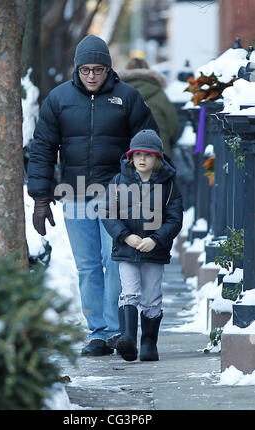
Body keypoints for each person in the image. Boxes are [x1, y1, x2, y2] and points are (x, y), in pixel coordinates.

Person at [27, 35, 159, 356]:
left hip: (117, 195)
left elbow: (150, 144)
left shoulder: (128, 98)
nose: (91, 76)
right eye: (85, 70)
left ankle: (116, 331)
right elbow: (42, 148)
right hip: (75, 194)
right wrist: (41, 198)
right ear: (77, 69)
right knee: (87, 266)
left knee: (113, 261)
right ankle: (97, 333)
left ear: (108, 69)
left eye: (97, 69)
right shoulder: (58, 100)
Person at [100, 129, 183, 361]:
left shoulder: (169, 186)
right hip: (127, 249)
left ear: (158, 158)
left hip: (154, 251)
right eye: (137, 155)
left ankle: (148, 343)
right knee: (129, 292)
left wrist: (155, 239)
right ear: (131, 157)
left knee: (152, 296)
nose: (142, 159)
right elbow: (107, 212)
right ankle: (128, 338)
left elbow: (174, 219)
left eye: (148, 155)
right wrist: (125, 236)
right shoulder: (118, 182)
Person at [118, 58, 179, 159]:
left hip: (127, 153)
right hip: (158, 152)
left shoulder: (119, 94)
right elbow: (173, 126)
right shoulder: (160, 95)